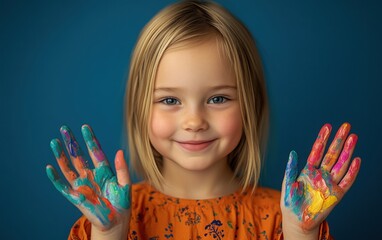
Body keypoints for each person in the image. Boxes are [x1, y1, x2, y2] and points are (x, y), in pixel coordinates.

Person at [46, 1, 361, 239]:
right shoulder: (112, 216)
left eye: (218, 99)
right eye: (170, 100)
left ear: (251, 105)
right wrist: (110, 234)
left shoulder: (280, 217)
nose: (194, 120)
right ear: (139, 109)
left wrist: (300, 233)